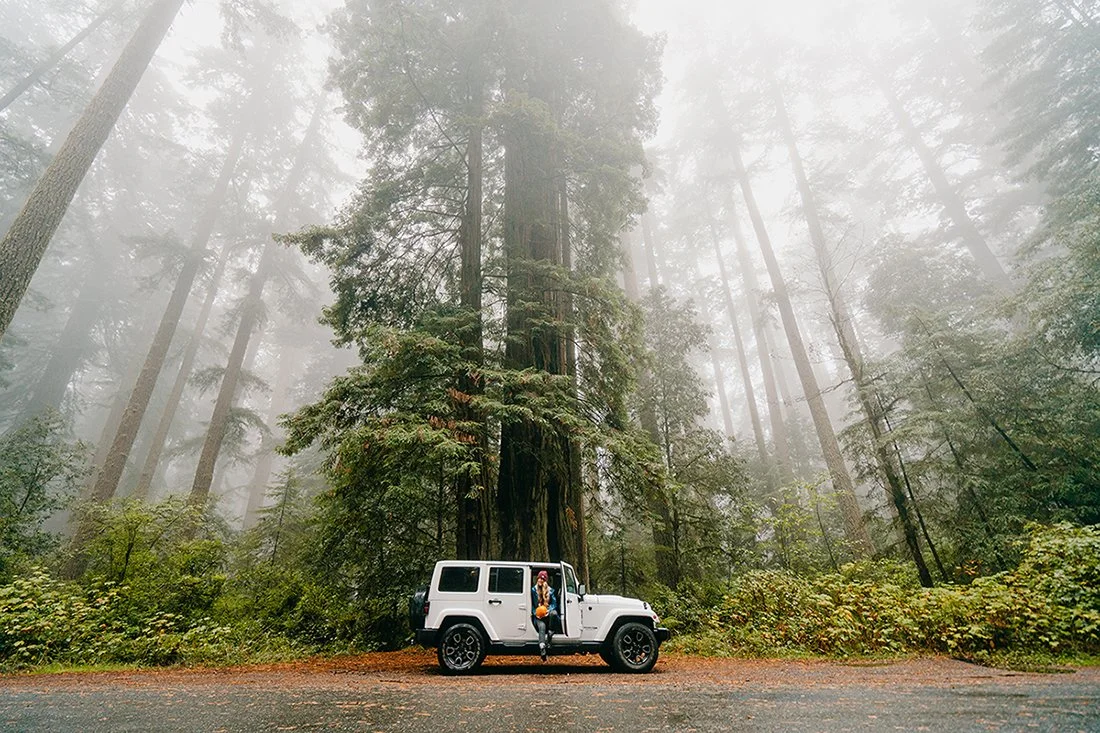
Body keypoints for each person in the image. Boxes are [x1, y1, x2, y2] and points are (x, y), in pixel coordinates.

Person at [531, 569, 559, 661]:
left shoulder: (550, 591)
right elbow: (531, 605)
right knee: (541, 627)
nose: (540, 580)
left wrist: (548, 610)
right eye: (539, 578)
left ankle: (551, 633)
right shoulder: (533, 590)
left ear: (545, 581)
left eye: (542, 579)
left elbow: (554, 604)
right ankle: (542, 648)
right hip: (538, 617)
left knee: (554, 613)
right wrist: (536, 613)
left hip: (548, 616)